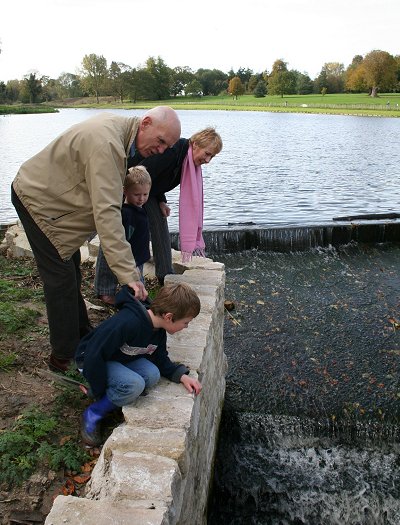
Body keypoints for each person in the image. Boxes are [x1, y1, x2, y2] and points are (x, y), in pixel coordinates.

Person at [11, 106, 181, 373]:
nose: (161, 150)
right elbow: (108, 215)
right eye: (160, 141)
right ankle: (65, 359)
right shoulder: (108, 145)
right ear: (146, 123)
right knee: (60, 281)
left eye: (167, 147)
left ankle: (82, 336)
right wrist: (129, 275)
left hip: (53, 200)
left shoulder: (122, 135)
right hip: (37, 200)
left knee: (70, 272)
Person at [94, 127, 223, 302]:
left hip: (148, 192)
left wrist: (161, 200)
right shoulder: (173, 153)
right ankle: (105, 289)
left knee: (159, 222)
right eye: (207, 154)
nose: (207, 160)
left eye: (212, 157)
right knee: (115, 234)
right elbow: (141, 174)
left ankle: (165, 275)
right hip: (126, 187)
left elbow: (157, 180)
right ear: (195, 144)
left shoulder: (188, 162)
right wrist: (130, 201)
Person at [75, 282, 202, 446]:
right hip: (91, 360)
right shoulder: (128, 322)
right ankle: (94, 412)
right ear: (169, 317)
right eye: (185, 322)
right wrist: (96, 388)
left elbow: (160, 358)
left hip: (116, 358)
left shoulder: (158, 330)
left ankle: (115, 394)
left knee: (152, 374)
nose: (186, 327)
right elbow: (94, 354)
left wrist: (181, 376)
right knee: (134, 384)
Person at [95, 165, 152, 305]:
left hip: (138, 252)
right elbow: (118, 239)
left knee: (137, 276)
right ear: (125, 191)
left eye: (145, 194)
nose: (141, 199)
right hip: (124, 253)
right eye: (137, 195)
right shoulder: (125, 213)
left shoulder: (140, 209)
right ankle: (105, 293)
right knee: (108, 271)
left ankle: (135, 295)